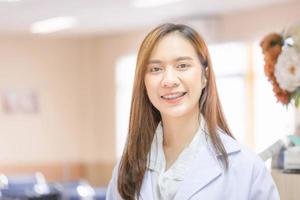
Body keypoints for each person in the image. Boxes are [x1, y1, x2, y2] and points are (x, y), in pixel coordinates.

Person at [106, 23, 280, 200]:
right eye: (156, 69)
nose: (169, 80)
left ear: (204, 76)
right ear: (143, 82)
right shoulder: (126, 168)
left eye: (182, 65)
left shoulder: (246, 167)